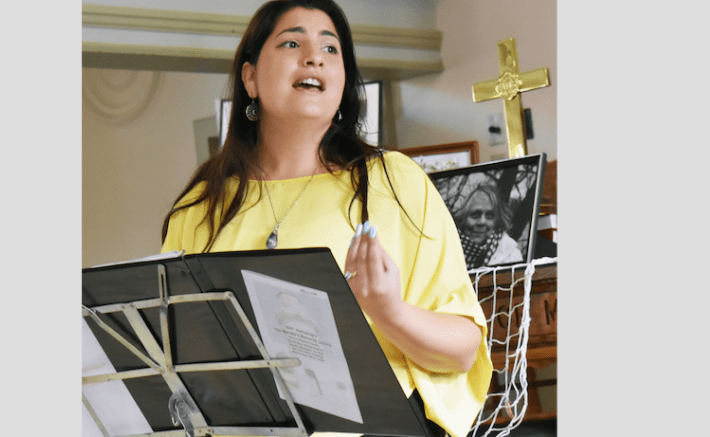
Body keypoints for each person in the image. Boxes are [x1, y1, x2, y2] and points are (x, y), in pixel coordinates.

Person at [160, 1, 492, 436]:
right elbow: (170, 353)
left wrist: (388, 311)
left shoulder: (393, 182)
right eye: (292, 42)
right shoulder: (202, 206)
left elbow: (463, 351)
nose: (314, 56)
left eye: (331, 49)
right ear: (250, 77)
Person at [453, 184, 523, 268]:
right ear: (463, 218)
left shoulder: (512, 256)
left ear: (497, 222)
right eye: (475, 214)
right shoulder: (444, 251)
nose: (482, 222)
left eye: (490, 216)